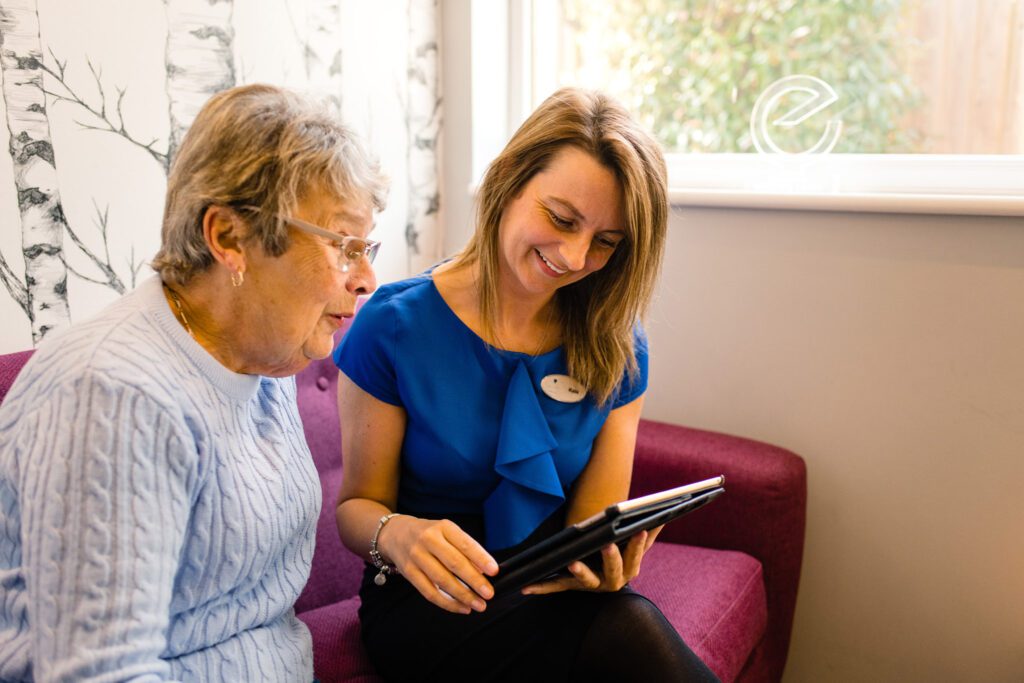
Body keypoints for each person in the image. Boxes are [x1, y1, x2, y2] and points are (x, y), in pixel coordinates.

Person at [0, 83, 386, 682]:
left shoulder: (262, 351)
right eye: (343, 247)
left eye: (367, 248)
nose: (367, 278)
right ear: (229, 238)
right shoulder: (114, 396)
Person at [333, 87, 719, 681]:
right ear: (510, 181)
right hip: (429, 598)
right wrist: (401, 535)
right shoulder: (394, 325)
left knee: (622, 617)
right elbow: (357, 509)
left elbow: (591, 525)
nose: (573, 255)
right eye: (561, 219)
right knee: (628, 632)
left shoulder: (616, 342)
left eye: (605, 242)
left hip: (545, 592)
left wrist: (603, 565)